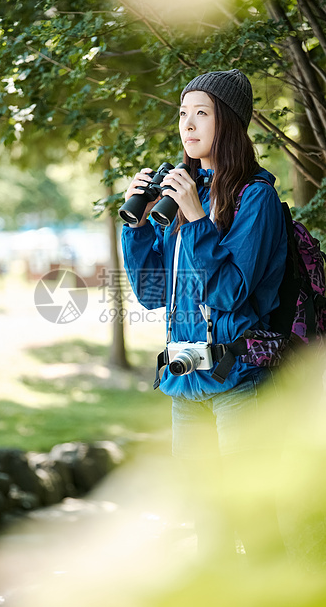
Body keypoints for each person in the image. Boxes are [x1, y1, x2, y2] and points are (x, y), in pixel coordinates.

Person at [121, 69, 288, 563]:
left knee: (253, 522)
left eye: (201, 112)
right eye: (182, 113)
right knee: (207, 527)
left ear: (229, 122)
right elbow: (153, 293)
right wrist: (137, 225)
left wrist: (196, 220)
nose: (187, 124)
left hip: (240, 383)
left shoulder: (254, 197)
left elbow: (232, 292)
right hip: (184, 387)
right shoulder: (184, 193)